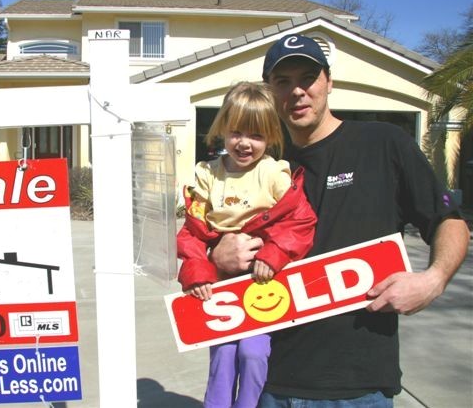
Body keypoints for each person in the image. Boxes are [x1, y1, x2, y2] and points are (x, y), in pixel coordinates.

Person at [210, 34, 471, 407]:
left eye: (308, 78)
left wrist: (434, 280)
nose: (297, 91)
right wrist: (217, 253)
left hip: (357, 386)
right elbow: (202, 232)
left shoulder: (384, 144)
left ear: (329, 82)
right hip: (270, 380)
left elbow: (448, 220)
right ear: (270, 92)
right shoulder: (254, 160)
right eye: (283, 82)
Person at [176, 81, 317, 408]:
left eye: (256, 136)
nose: (244, 143)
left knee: (253, 353)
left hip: (263, 281)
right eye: (236, 132)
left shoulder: (274, 173)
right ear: (223, 129)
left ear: (270, 137)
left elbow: (301, 221)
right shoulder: (208, 175)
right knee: (223, 353)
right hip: (222, 284)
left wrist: (275, 252)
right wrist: (198, 271)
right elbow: (193, 231)